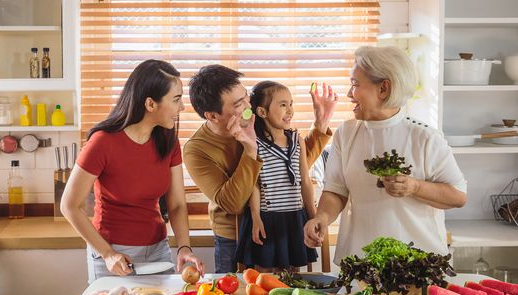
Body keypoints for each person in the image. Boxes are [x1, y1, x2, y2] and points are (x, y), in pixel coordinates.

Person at [304, 46, 467, 264]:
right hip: (359, 261)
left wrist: (414, 187)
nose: (349, 94)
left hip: (416, 264)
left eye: (355, 85)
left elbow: (458, 196)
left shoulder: (425, 138)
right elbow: (336, 190)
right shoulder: (347, 133)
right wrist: (322, 217)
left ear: (384, 89)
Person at [61, 59, 204, 282]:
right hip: (113, 254)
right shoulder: (102, 143)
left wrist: (184, 247)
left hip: (158, 251)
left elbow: (176, 204)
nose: (182, 107)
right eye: (176, 99)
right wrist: (107, 253)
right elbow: (69, 206)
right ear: (150, 104)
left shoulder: (168, 142)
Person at [184, 64, 337, 273]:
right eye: (239, 104)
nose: (249, 106)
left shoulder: (255, 123)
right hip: (235, 237)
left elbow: (286, 171)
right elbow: (234, 203)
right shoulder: (197, 150)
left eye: (246, 97)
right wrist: (249, 150)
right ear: (212, 115)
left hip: (278, 228)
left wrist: (321, 124)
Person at [234, 81, 318, 271]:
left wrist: (313, 217)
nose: (290, 110)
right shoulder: (254, 144)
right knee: (265, 273)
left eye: (291, 104)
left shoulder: (298, 140)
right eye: (282, 105)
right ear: (262, 112)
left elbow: (305, 181)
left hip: (295, 217)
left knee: (292, 274)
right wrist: (256, 217)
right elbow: (254, 185)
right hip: (267, 217)